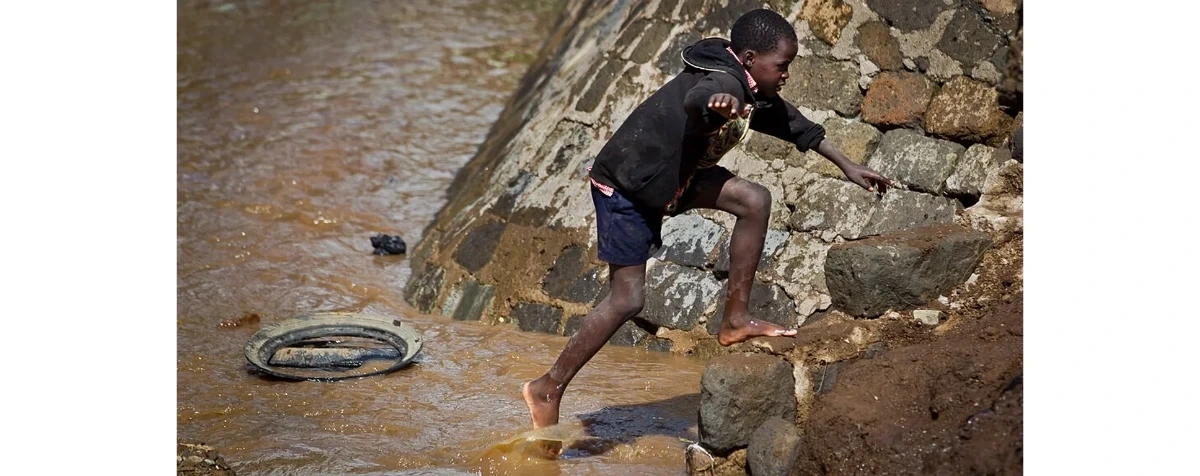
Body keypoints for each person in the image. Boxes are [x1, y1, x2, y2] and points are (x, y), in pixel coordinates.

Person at [523, 8, 891, 431]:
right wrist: (720, 102)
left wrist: (848, 166)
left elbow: (795, 125)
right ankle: (548, 387)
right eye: (782, 66)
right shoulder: (724, 81)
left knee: (754, 200)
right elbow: (698, 97)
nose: (786, 74)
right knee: (627, 299)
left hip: (674, 179)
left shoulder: (750, 85)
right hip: (627, 186)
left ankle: (736, 320)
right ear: (750, 58)